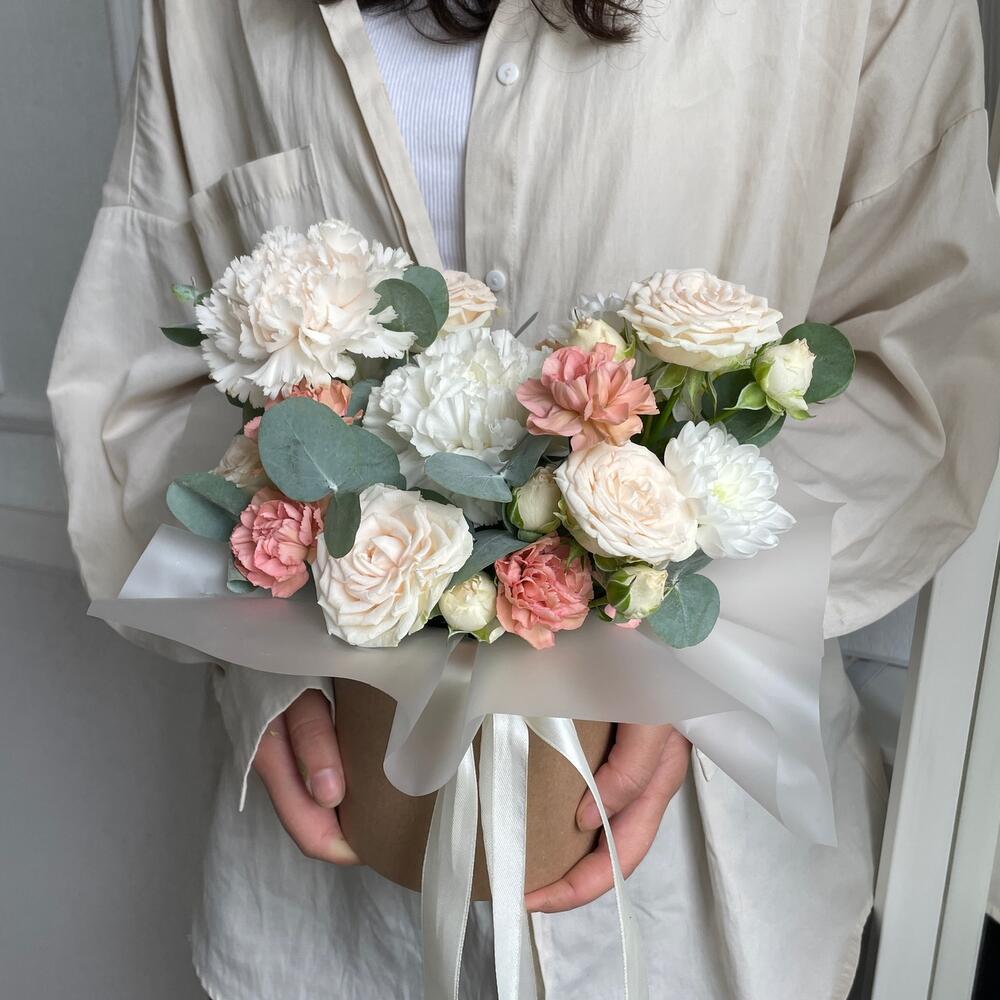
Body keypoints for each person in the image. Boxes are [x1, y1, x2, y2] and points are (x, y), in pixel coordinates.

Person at [48, 0, 1000, 996]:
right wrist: (262, 654)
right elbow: (148, 380)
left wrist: (684, 646)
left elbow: (922, 367)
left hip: (698, 893)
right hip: (323, 902)